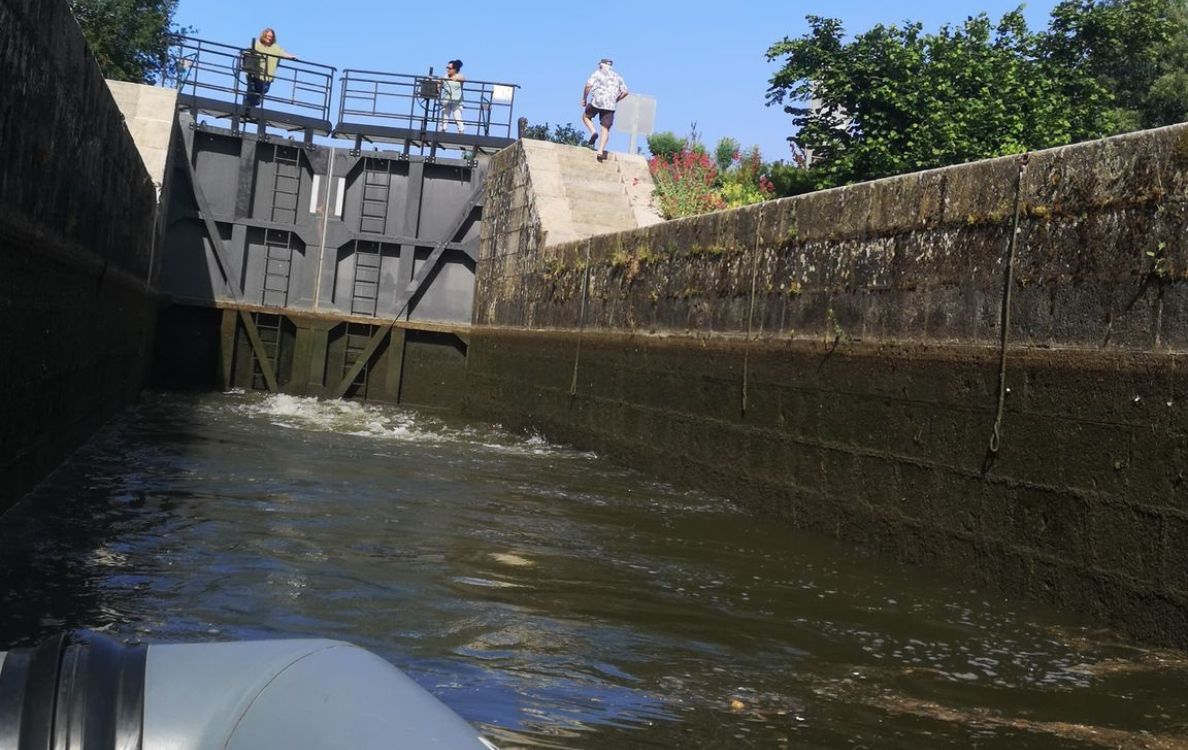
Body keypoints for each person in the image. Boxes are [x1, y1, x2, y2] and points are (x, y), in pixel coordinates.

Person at [582, 58, 628, 162]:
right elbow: (625, 92)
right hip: (610, 105)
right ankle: (600, 151)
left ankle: (593, 131)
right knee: (605, 128)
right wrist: (616, 100)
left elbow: (588, 86)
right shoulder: (617, 77)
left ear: (601, 65)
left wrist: (584, 98)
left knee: (585, 116)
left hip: (597, 101)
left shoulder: (597, 73)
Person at [244, 28, 297, 108]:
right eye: (268, 36)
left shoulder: (275, 47)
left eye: (271, 37)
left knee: (264, 90)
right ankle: (248, 106)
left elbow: (282, 53)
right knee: (252, 90)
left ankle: (252, 104)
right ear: (264, 35)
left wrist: (291, 57)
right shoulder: (257, 44)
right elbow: (248, 52)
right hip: (255, 73)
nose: (269, 38)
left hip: (268, 76)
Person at [438, 59, 466, 134]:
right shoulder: (444, 76)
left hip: (457, 101)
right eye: (447, 68)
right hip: (446, 100)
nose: (448, 70)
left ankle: (461, 130)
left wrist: (452, 78)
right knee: (444, 115)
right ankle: (443, 130)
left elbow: (462, 79)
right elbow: (439, 84)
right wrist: (438, 86)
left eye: (450, 68)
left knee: (457, 116)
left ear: (455, 69)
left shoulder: (459, 76)